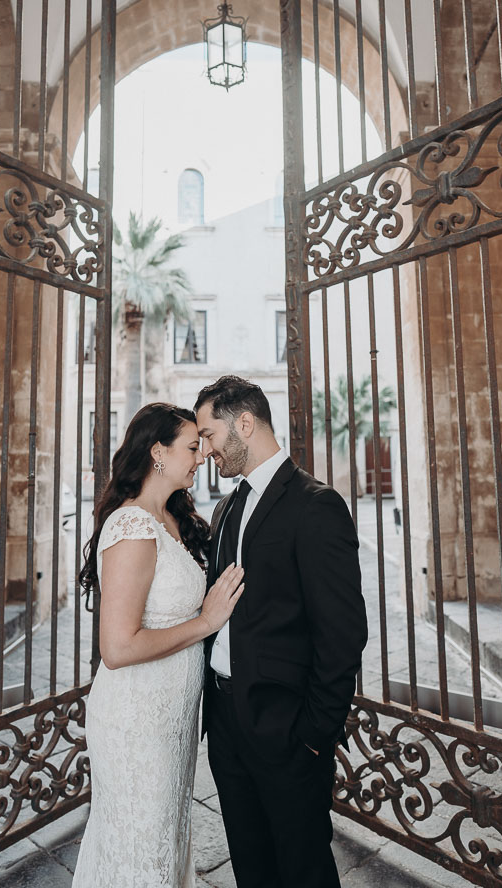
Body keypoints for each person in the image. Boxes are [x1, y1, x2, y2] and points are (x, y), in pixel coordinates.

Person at [195, 376, 367, 888]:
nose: (205, 451)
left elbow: (342, 634)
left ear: (244, 423)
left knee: (303, 869)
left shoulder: (316, 505)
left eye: (208, 435)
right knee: (252, 866)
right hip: (225, 725)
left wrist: (315, 737)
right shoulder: (226, 508)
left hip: (288, 731)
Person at [73, 402, 244, 888]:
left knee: (165, 840)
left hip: (172, 718)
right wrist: (207, 621)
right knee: (139, 846)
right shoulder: (130, 526)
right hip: (136, 721)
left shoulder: (171, 518)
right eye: (193, 447)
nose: (203, 455)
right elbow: (118, 648)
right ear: (157, 453)